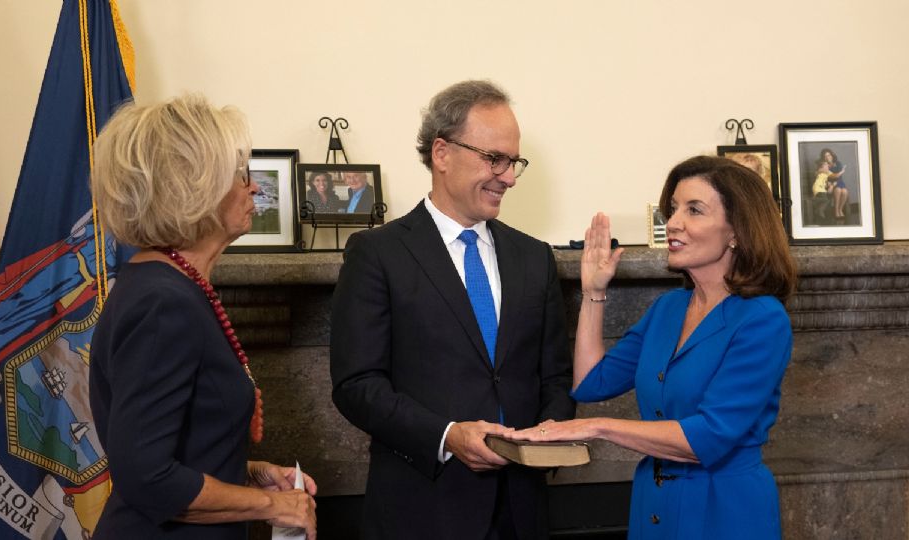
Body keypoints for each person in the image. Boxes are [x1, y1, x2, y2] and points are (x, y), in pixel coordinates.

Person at [330, 80, 574, 539]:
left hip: (522, 512)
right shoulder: (377, 253)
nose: (510, 176)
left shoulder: (534, 257)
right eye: (494, 159)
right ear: (442, 154)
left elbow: (555, 377)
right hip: (423, 510)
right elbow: (356, 384)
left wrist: (546, 439)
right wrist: (446, 435)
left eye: (514, 161)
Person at [509, 155, 797, 539]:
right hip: (653, 502)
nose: (673, 222)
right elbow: (592, 383)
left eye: (694, 210)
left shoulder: (763, 319)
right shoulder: (668, 309)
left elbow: (707, 438)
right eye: (673, 208)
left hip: (724, 508)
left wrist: (596, 427)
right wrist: (594, 291)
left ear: (737, 232)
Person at [89, 95, 317, 539]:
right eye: (239, 176)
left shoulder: (172, 284)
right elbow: (148, 477)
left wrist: (250, 475)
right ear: (191, 188)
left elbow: (181, 451)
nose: (253, 188)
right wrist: (273, 505)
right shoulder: (163, 301)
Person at [820, 148, 849, 220]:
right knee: (838, 190)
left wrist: (837, 177)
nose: (827, 157)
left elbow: (839, 177)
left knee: (845, 191)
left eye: (829, 155)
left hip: (839, 182)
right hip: (830, 184)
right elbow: (827, 177)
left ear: (832, 155)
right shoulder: (824, 166)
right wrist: (831, 185)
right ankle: (836, 211)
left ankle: (840, 209)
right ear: (824, 158)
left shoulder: (838, 163)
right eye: (825, 156)